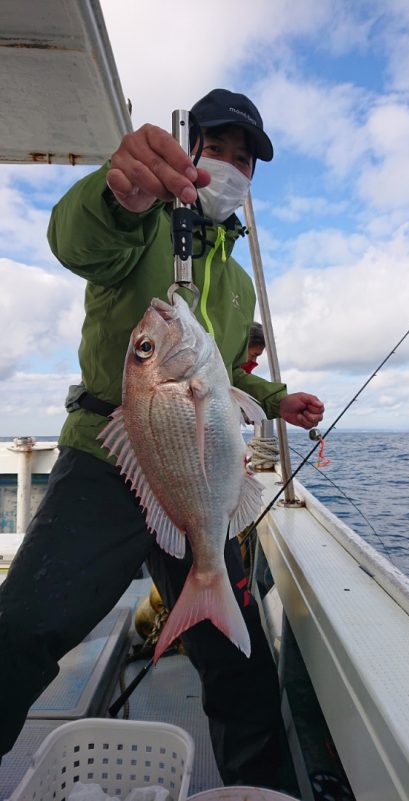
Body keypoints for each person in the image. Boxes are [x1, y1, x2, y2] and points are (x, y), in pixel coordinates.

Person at [0, 88, 324, 789]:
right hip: (107, 459)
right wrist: (121, 197)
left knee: (242, 676)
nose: (232, 168)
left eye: (246, 160)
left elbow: (226, 372)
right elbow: (75, 238)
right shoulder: (140, 228)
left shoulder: (238, 284)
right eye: (218, 150)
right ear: (190, 153)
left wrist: (276, 398)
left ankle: (257, 787)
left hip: (198, 473)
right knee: (21, 629)